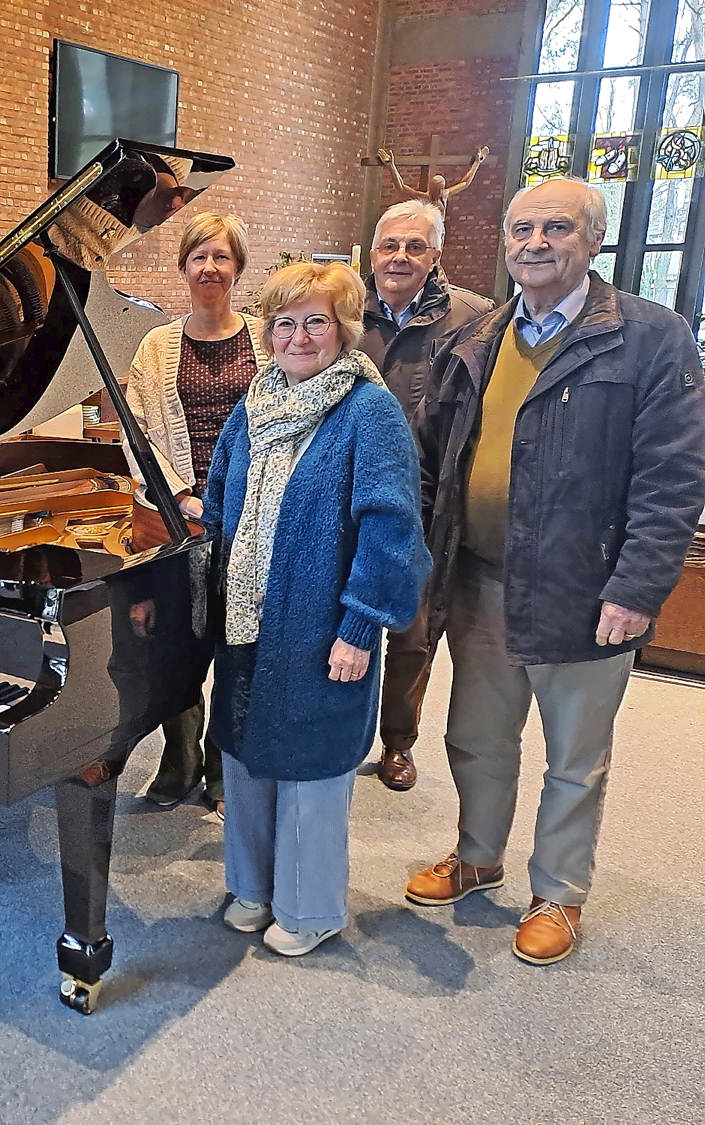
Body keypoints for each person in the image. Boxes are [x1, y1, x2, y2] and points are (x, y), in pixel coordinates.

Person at [406, 177, 705, 965]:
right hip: (477, 577)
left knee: (574, 754)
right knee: (475, 735)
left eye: (556, 229)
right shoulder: (477, 337)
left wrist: (639, 586)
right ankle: (477, 855)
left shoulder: (651, 336)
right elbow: (434, 461)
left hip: (585, 586)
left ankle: (559, 892)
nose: (534, 243)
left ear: (592, 241)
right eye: (521, 229)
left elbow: (673, 476)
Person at [203, 261, 430, 957]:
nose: (299, 337)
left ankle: (311, 907)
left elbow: (393, 528)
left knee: (311, 765)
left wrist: (361, 625)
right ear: (268, 333)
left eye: (316, 321)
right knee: (244, 752)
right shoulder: (256, 401)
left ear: (344, 328)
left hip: (321, 625)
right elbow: (220, 495)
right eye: (285, 322)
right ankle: (253, 886)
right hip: (247, 616)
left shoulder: (369, 410)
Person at [122, 212, 269, 811]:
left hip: (251, 515)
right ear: (182, 268)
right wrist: (179, 492)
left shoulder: (267, 336)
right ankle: (178, 756)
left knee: (239, 643)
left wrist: (244, 495)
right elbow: (138, 433)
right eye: (198, 257)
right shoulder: (156, 344)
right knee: (173, 643)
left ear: (238, 268)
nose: (210, 268)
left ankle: (220, 762)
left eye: (221, 257)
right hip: (175, 517)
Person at [361, 200, 493, 791]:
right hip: (348, 493)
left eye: (415, 247)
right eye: (390, 245)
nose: (400, 257)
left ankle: (397, 743)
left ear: (436, 255)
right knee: (336, 617)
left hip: (423, 498)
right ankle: (337, 731)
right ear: (372, 251)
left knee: (412, 631)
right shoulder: (342, 307)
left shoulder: (474, 318)